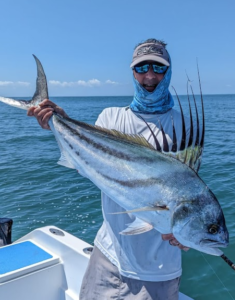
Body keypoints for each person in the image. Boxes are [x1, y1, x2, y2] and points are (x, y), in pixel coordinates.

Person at [27, 38, 189, 300]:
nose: (149, 76)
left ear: (168, 71)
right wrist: (60, 123)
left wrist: (187, 233)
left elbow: (186, 194)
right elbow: (87, 163)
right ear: (132, 72)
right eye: (142, 68)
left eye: (158, 68)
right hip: (107, 255)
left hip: (157, 270)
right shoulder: (111, 117)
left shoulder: (182, 126)